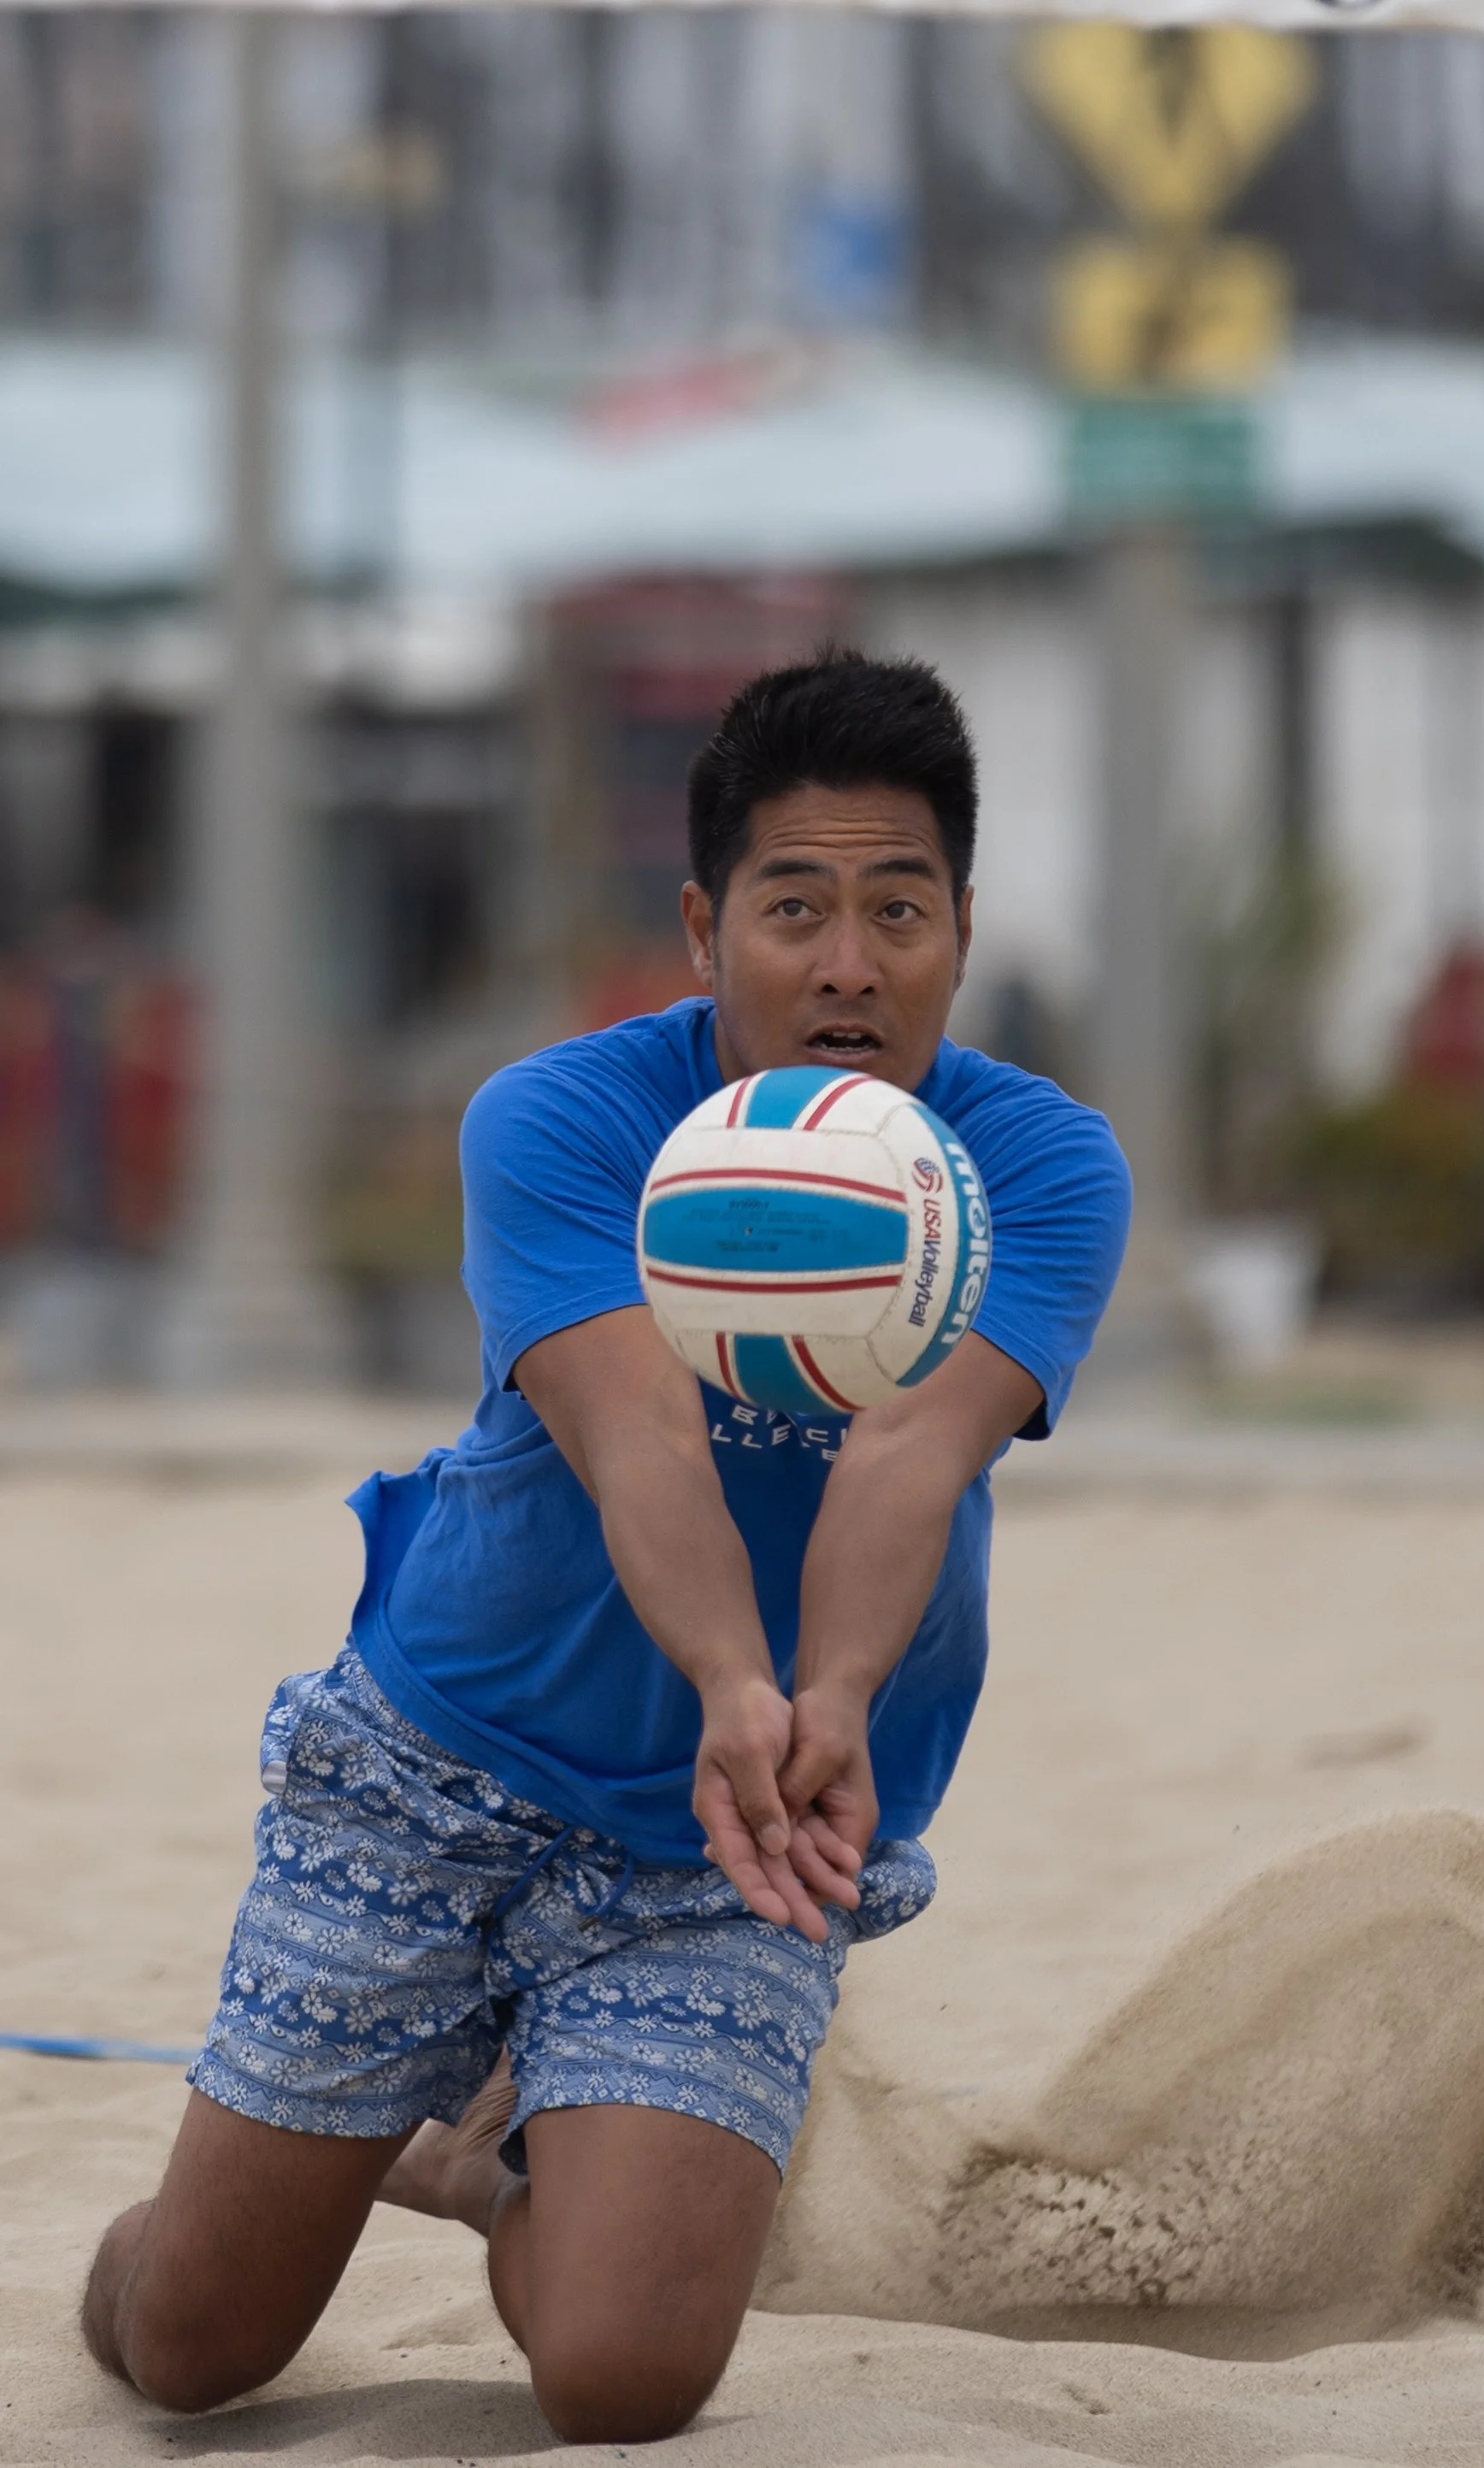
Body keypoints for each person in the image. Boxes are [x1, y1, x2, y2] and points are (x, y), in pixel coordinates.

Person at [81, 651, 1131, 2442]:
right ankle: (249, 2203)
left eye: (900, 908)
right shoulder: (558, 1121)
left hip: (744, 1831)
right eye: (794, 908)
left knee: (622, 2379)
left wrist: (823, 1698)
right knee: (197, 2347)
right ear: (704, 925)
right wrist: (733, 1673)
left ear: (961, 925)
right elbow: (638, 1428)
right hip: (444, 1758)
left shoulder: (1035, 1167)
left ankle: (496, 2160)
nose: (849, 965)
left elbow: (908, 1449)